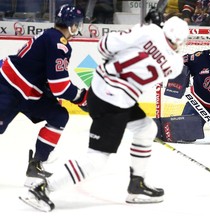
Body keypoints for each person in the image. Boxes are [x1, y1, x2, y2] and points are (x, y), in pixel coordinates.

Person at [19, 16, 190, 212]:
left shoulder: (148, 31)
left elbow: (104, 47)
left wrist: (143, 27)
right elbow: (154, 56)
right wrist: (148, 30)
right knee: (96, 159)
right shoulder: (175, 63)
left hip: (101, 91)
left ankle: (137, 185)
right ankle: (42, 189)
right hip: (115, 103)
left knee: (146, 128)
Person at [0, 4, 87, 187]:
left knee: (58, 115)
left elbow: (49, 80)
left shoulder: (51, 36)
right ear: (73, 24)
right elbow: (60, 87)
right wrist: (81, 97)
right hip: (7, 86)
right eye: (77, 24)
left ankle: (36, 166)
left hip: (28, 92)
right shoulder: (59, 44)